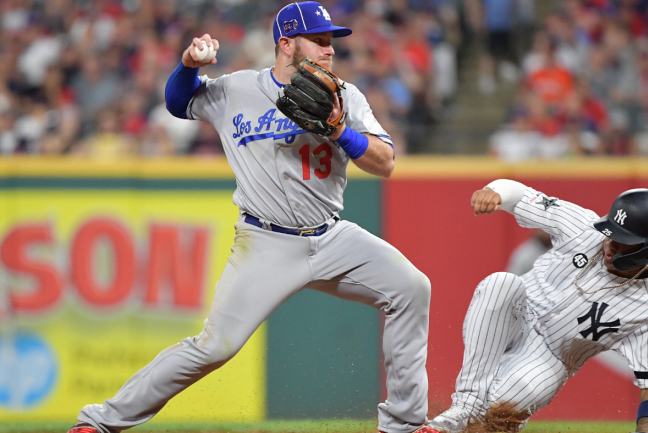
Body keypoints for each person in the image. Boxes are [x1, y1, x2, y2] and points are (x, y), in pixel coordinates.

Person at [67, 3, 435, 433]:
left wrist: (339, 131)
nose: (329, 50)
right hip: (266, 242)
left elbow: (386, 162)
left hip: (332, 237)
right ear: (285, 44)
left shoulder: (345, 97)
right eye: (318, 41)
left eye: (330, 42)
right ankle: (101, 422)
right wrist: (187, 64)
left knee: (412, 287)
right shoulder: (236, 89)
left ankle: (405, 424)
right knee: (214, 347)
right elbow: (177, 102)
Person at [429, 180, 648, 433]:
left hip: (550, 356)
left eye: (623, 239)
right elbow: (522, 195)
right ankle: (461, 408)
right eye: (610, 231)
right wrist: (495, 191)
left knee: (499, 413)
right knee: (501, 283)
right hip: (517, 313)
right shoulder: (583, 226)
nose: (610, 243)